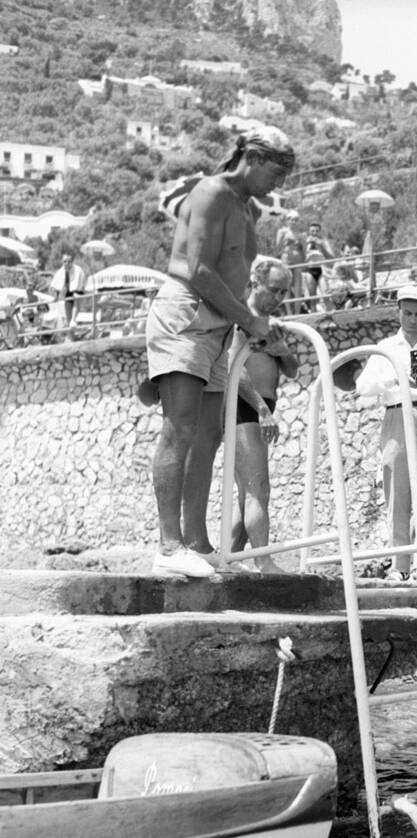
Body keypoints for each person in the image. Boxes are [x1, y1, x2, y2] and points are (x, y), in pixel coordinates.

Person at [145, 125, 295, 578]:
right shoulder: (211, 191)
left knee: (207, 438)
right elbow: (200, 270)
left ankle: (196, 542)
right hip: (187, 311)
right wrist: (251, 321)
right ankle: (168, 545)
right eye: (277, 171)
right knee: (181, 427)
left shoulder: (248, 207)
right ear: (251, 157)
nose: (280, 183)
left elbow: (231, 276)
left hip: (221, 325)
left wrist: (245, 323)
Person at [354, 284, 417, 582]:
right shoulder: (385, 348)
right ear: (398, 312)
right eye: (408, 313)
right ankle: (399, 566)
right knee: (397, 492)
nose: (413, 319)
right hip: (397, 414)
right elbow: (364, 388)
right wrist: (396, 377)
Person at [228, 257, 298, 574]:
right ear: (255, 283)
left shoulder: (271, 326)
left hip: (261, 404)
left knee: (247, 493)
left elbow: (293, 370)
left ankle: (227, 560)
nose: (279, 298)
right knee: (258, 488)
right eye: (275, 290)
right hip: (245, 404)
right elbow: (234, 369)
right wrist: (261, 407)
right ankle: (263, 560)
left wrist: (280, 350)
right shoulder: (242, 319)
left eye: (285, 292)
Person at [49, 250, 87, 330]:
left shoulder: (78, 270)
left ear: (72, 262)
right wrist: (56, 296)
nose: (67, 263)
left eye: (69, 261)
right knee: (68, 315)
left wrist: (78, 291)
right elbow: (57, 284)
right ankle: (71, 334)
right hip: (68, 293)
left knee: (76, 300)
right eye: (65, 261)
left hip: (78, 290)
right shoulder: (60, 272)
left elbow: (81, 282)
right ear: (62, 262)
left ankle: (73, 320)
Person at [302, 222, 334, 311]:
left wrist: (321, 246)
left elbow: (331, 257)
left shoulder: (324, 241)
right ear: (309, 232)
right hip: (310, 270)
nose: (314, 233)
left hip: (322, 269)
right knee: (312, 298)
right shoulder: (305, 242)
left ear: (320, 232)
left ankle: (332, 314)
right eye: (312, 231)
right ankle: (314, 316)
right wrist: (305, 245)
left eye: (317, 231)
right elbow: (301, 257)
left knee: (325, 295)